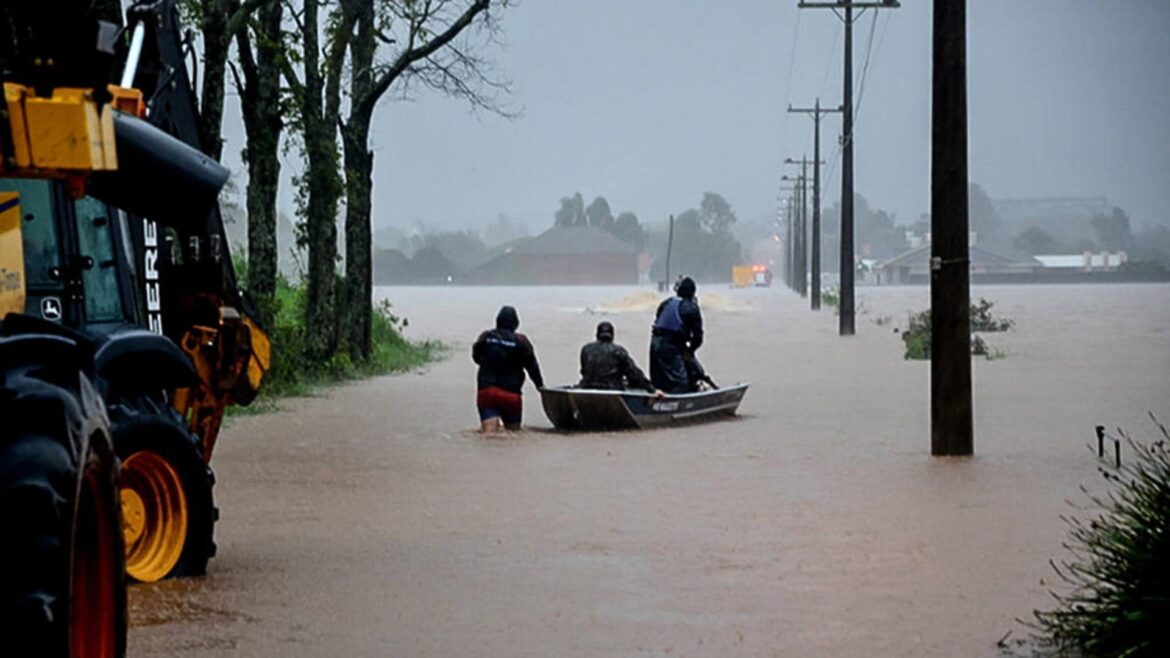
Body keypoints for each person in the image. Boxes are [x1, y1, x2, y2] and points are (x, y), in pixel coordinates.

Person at [472, 305, 543, 432]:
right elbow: (533, 367)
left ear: (497, 321)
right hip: (511, 395)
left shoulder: (486, 337)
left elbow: (476, 357)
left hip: (488, 391)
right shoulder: (522, 341)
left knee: (489, 434)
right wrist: (540, 387)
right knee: (514, 434)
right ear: (516, 324)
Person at [650, 276, 704, 393]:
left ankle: (657, 395)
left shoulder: (666, 303)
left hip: (655, 344)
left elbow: (659, 322)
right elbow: (698, 337)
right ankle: (676, 403)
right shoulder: (692, 308)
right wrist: (690, 352)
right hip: (670, 347)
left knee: (657, 381)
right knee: (680, 382)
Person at [579, 321, 663, 395]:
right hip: (612, 390)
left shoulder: (586, 350)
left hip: (587, 387)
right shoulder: (619, 351)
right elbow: (634, 373)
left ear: (597, 335)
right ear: (612, 336)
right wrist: (652, 390)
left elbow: (583, 371)